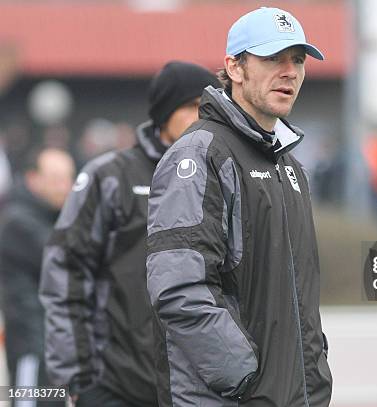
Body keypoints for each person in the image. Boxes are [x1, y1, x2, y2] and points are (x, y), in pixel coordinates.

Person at [146, 7, 332, 407]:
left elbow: (298, 297)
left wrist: (313, 375)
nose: (290, 71)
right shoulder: (199, 154)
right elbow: (178, 288)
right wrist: (243, 375)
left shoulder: (291, 167)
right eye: (272, 58)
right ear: (234, 66)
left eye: (297, 60)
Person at [39, 61, 220, 407]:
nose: (202, 116)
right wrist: (78, 377)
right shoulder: (109, 177)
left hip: (199, 390)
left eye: (208, 106)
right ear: (164, 113)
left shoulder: (222, 175)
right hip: (116, 386)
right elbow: (65, 275)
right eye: (191, 106)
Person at [0, 147, 74, 406]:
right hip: (32, 347)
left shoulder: (56, 217)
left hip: (57, 346)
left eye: (69, 178)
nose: (65, 186)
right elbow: (67, 260)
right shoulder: (17, 221)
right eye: (56, 179)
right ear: (33, 179)